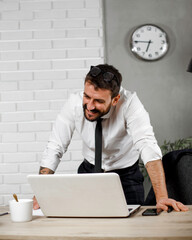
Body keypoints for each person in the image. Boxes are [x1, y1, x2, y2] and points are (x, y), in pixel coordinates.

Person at [33, 64, 188, 212]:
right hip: (89, 173)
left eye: (99, 101)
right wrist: (42, 191)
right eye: (87, 97)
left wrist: (161, 197)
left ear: (115, 99)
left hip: (126, 175)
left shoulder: (130, 104)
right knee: (86, 226)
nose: (90, 106)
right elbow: (55, 146)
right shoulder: (74, 103)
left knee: (132, 229)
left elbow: (147, 146)